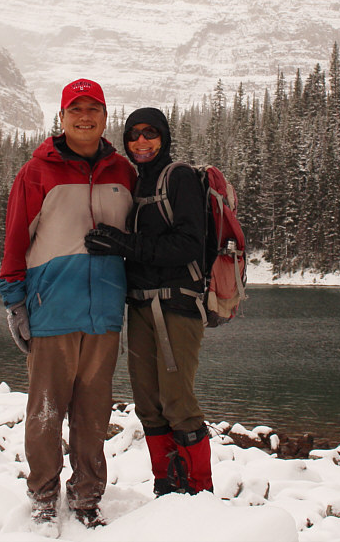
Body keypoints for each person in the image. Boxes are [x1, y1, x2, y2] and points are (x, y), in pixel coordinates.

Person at [0, 78, 136, 531]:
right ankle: (42, 497)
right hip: (52, 308)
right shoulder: (37, 172)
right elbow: (16, 240)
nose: (84, 116)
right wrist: (15, 303)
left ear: (104, 117)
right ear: (61, 118)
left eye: (93, 107)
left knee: (94, 416)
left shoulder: (124, 173)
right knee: (44, 413)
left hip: (105, 315)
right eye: (75, 108)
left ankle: (87, 496)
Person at [83, 107, 214, 496]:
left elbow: (189, 244)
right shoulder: (136, 183)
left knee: (177, 402)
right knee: (148, 405)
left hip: (176, 305)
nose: (141, 141)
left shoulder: (181, 178)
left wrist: (126, 245)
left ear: (164, 137)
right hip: (140, 305)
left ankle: (200, 493)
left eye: (150, 133)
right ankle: (166, 487)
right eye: (134, 134)